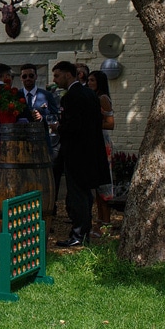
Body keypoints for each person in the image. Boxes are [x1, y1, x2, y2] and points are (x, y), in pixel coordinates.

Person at [54, 61, 111, 247]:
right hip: (91, 150)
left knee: (78, 194)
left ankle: (78, 234)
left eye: (57, 75)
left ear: (68, 75)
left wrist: (58, 127)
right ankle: (83, 232)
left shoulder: (71, 96)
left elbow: (73, 126)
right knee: (85, 194)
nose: (55, 80)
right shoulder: (90, 94)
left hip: (76, 152)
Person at [88, 70, 116, 235]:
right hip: (95, 141)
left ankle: (106, 222)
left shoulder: (103, 99)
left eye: (92, 80)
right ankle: (99, 221)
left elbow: (110, 124)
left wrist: (92, 124)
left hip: (103, 142)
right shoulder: (93, 97)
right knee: (97, 185)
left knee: (104, 184)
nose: (89, 83)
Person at [21, 63, 60, 156]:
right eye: (24, 76)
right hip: (22, 141)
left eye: (31, 76)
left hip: (42, 140)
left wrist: (42, 118)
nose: (28, 78)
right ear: (21, 78)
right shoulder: (16, 95)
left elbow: (55, 116)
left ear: (36, 76)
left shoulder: (47, 95)